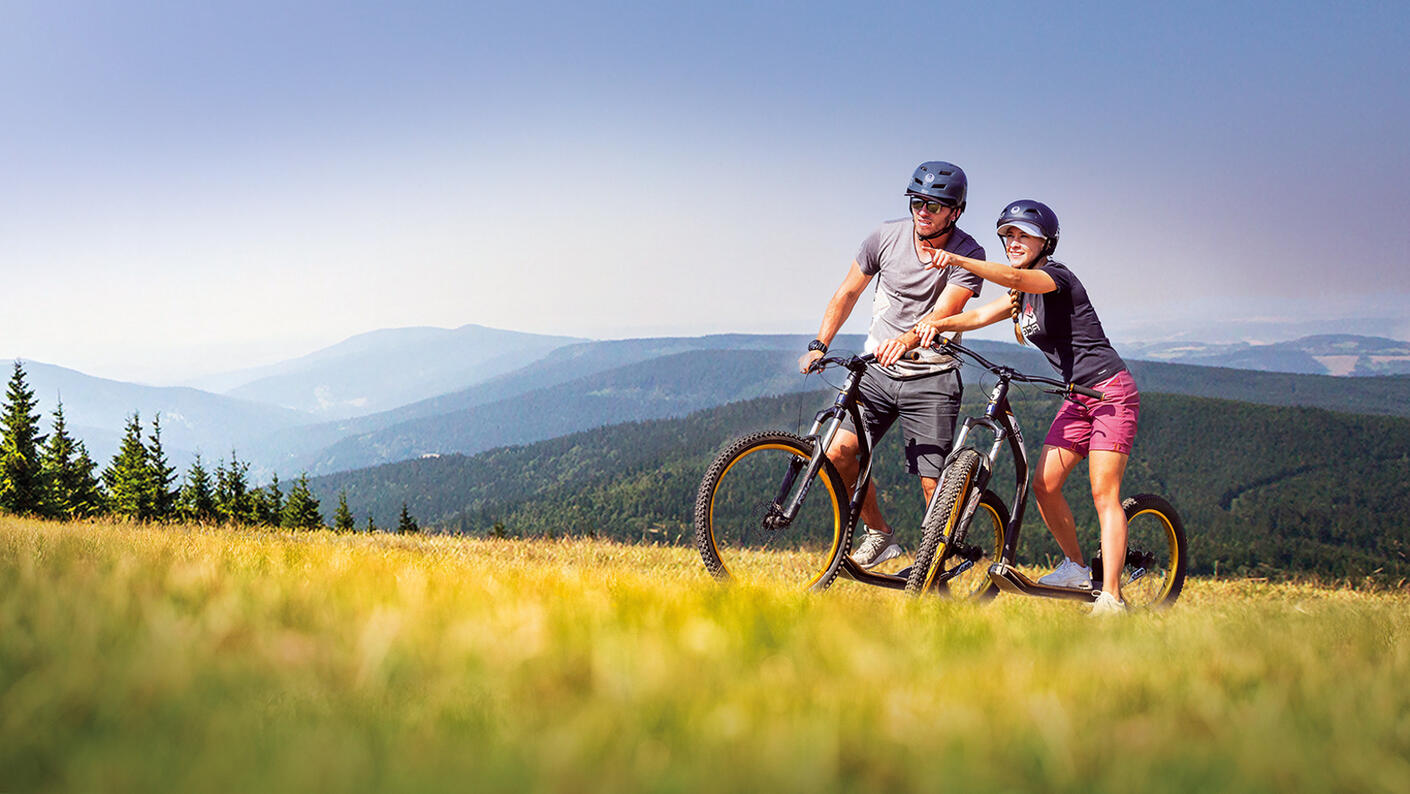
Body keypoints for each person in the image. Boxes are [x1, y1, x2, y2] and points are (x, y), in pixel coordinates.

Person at [877, 199, 1137, 614]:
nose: (1014, 242)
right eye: (1009, 235)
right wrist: (938, 324)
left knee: (1104, 493)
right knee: (1045, 487)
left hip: (1110, 393)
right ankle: (1075, 566)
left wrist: (956, 258)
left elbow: (1015, 275)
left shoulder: (1055, 277)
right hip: (1077, 397)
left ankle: (1112, 598)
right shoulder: (1022, 295)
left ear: (1045, 241)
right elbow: (980, 317)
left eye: (1023, 235)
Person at [798, 162, 985, 570]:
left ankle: (933, 572)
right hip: (878, 374)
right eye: (917, 201)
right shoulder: (884, 236)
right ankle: (879, 534)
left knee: (934, 484)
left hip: (932, 378)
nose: (923, 211)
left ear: (955, 211)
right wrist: (819, 344)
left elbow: (945, 312)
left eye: (935, 206)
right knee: (838, 454)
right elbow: (847, 291)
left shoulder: (969, 253)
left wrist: (904, 341)